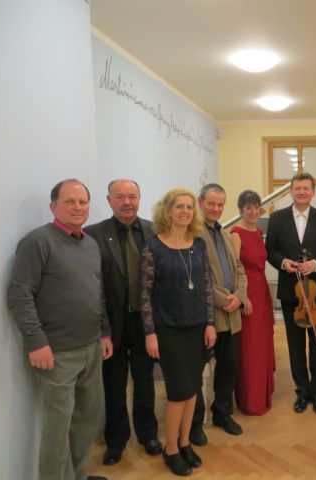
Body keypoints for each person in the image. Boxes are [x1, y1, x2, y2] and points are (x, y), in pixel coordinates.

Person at [7, 179, 112, 480]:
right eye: (70, 202)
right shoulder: (37, 242)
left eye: (83, 202)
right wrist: (36, 341)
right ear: (54, 207)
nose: (78, 207)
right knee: (58, 428)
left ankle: (77, 475)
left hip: (92, 346)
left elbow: (97, 293)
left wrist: (104, 332)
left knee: (89, 420)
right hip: (56, 352)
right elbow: (19, 294)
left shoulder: (90, 244)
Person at [86, 179, 162, 466]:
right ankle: (116, 440)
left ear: (139, 198)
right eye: (120, 197)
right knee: (113, 384)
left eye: (132, 196)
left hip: (145, 323)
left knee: (145, 381)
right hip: (112, 324)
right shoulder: (94, 234)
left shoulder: (155, 231)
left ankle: (148, 434)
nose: (127, 202)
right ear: (109, 200)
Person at [141, 187, 216, 476]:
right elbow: (145, 294)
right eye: (179, 206)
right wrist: (150, 332)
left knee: (193, 389)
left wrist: (210, 323)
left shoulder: (199, 244)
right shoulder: (153, 247)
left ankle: (184, 442)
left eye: (188, 207)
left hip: (197, 328)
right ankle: (170, 449)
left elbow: (206, 287)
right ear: (167, 211)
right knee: (177, 393)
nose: (185, 211)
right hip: (168, 330)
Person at [266, 173, 316, 414]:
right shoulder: (277, 218)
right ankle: (302, 392)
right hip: (291, 292)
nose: (302, 192)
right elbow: (270, 251)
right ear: (291, 191)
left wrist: (315, 264)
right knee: (295, 346)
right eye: (298, 188)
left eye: (306, 188)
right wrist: (283, 262)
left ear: (313, 192)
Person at [192, 183, 248, 441]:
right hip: (207, 316)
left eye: (220, 204)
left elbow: (239, 268)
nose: (215, 208)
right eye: (211, 203)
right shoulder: (192, 233)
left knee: (228, 368)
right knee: (196, 371)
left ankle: (222, 413)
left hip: (232, 314)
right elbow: (196, 276)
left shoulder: (225, 233)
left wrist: (240, 295)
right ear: (200, 202)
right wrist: (224, 298)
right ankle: (194, 423)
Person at [231, 190, 276, 415]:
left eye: (257, 207)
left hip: (262, 290)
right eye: (249, 207)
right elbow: (234, 269)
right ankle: (250, 399)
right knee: (250, 346)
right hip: (247, 293)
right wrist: (243, 296)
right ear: (241, 209)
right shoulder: (235, 234)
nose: (253, 211)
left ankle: (262, 392)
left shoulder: (258, 232)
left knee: (262, 342)